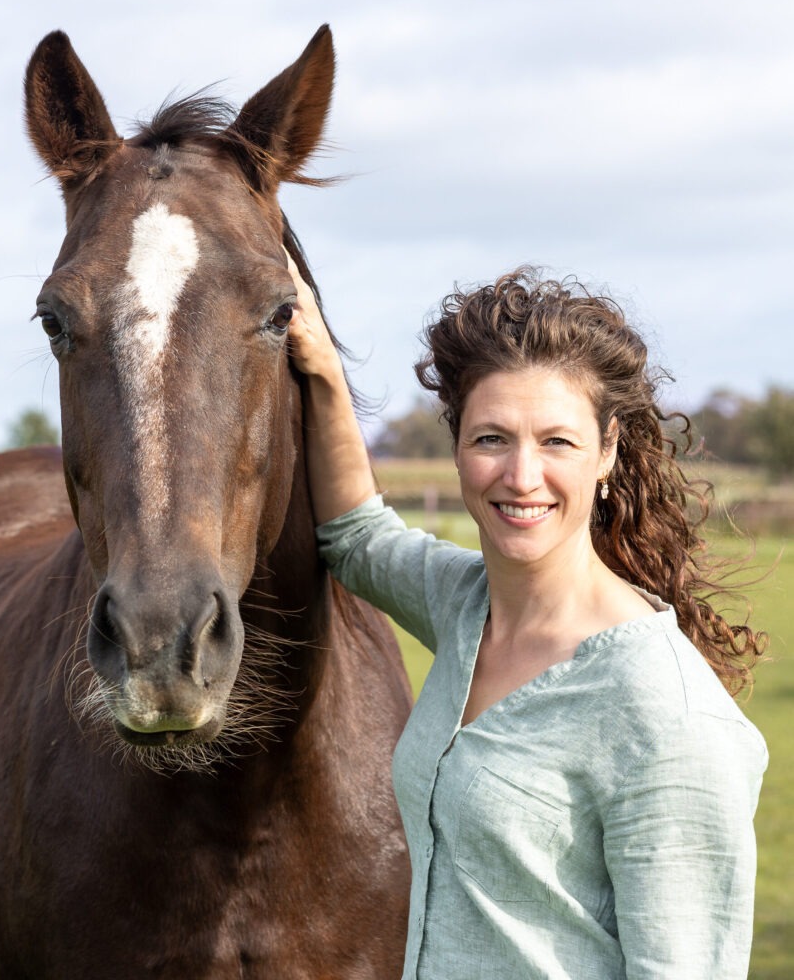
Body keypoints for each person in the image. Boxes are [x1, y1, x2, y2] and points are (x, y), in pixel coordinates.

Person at [283, 251, 768, 980]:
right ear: (456, 448)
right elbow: (358, 538)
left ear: (606, 451)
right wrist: (321, 365)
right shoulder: (466, 606)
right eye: (491, 438)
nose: (521, 475)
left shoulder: (668, 715)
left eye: (557, 441)